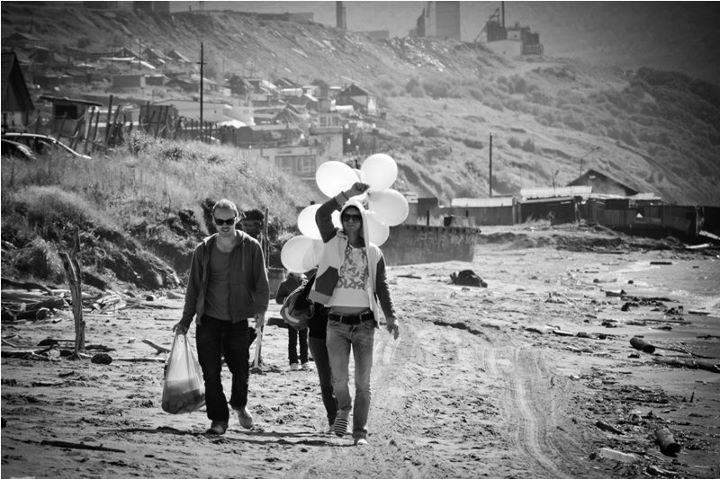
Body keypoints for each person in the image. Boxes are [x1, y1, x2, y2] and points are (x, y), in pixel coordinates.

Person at [308, 182, 400, 446]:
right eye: (346, 216)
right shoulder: (332, 241)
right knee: (338, 379)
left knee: (363, 383)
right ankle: (344, 409)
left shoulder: (373, 252)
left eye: (355, 217)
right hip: (335, 323)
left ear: (362, 221)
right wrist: (348, 194)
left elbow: (381, 286)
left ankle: (360, 433)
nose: (350, 221)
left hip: (364, 324)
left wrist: (391, 316)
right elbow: (321, 214)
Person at [173, 199, 269, 436]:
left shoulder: (251, 247)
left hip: (238, 320)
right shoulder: (203, 250)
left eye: (229, 220)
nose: (225, 225)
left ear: (237, 219)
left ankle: (239, 404)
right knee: (211, 373)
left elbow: (261, 282)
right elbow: (193, 288)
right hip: (208, 320)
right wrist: (185, 320)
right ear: (213, 221)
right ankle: (218, 420)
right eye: (219, 221)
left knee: (241, 370)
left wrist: (260, 311)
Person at [275, 271, 310, 371]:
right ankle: (293, 362)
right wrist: (288, 299)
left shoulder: (306, 282)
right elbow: (278, 299)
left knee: (304, 339)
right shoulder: (284, 284)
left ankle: (305, 361)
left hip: (303, 315)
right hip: (291, 316)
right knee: (292, 339)